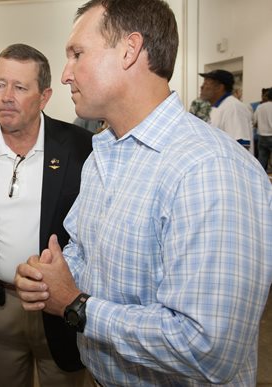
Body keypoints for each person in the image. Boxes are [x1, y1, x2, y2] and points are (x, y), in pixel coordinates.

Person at [15, 1, 272, 386]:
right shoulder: (101, 157)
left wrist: (76, 305)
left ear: (130, 50)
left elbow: (208, 349)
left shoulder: (207, 168)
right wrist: (53, 275)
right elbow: (85, 253)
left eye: (77, 54)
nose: (66, 74)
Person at [0, 43, 93, 386]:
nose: (6, 96)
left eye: (20, 87)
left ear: (44, 97)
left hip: (61, 309)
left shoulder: (82, 149)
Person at [199, 69, 253, 152]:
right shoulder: (218, 108)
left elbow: (240, 146)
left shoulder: (233, 107)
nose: (202, 87)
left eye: (206, 83)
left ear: (219, 87)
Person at [254, 87, 272, 172]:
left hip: (261, 136)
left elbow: (254, 122)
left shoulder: (259, 107)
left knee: (262, 159)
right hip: (271, 135)